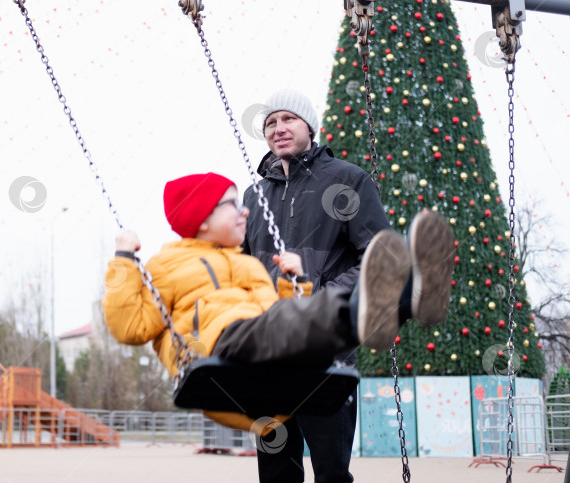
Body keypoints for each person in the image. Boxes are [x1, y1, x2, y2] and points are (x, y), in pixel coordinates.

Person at [102, 172, 454, 435]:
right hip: (219, 350)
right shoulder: (166, 266)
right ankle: (373, 304)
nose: (244, 212)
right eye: (232, 205)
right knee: (291, 321)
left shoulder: (248, 264)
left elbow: (275, 314)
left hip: (270, 358)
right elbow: (131, 326)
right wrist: (123, 259)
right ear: (203, 218)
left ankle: (407, 300)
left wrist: (296, 283)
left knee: (300, 323)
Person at [241, 89, 425, 482]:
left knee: (330, 468)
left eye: (288, 119)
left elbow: (379, 261)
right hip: (270, 350)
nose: (278, 128)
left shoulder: (346, 179)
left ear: (309, 126)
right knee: (275, 470)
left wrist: (320, 296)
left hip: (326, 348)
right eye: (271, 123)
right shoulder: (253, 197)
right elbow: (242, 270)